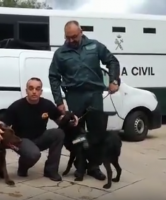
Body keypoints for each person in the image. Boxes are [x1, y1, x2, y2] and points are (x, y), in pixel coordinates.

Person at [48, 20, 120, 181]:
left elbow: (112, 61)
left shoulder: (95, 46)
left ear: (81, 32)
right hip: (74, 96)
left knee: (96, 134)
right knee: (77, 134)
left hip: (95, 95)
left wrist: (114, 80)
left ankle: (94, 166)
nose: (71, 40)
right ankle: (80, 166)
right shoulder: (60, 53)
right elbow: (54, 77)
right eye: (68, 37)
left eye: (74, 36)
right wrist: (59, 101)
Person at [0, 77, 79, 181]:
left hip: (40, 137)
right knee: (34, 154)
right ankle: (22, 166)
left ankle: (50, 170)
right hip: (21, 140)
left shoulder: (47, 104)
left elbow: (60, 119)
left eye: (37, 89)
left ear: (41, 91)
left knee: (59, 133)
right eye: (31, 88)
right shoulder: (17, 106)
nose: (34, 92)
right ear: (26, 90)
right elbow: (3, 123)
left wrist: (71, 117)